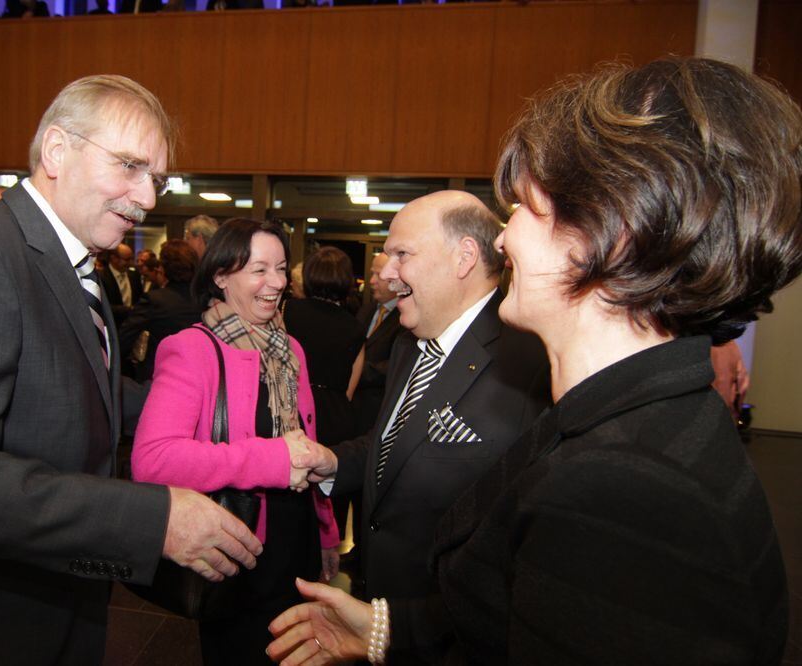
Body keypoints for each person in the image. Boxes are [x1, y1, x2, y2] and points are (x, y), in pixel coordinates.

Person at [269, 57, 799, 665]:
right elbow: (510, 613)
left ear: (610, 232)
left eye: (524, 207)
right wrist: (386, 630)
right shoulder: (620, 421)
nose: (503, 238)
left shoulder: (626, 492)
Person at [0, 74, 262, 665]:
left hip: (45, 602)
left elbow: (75, 387)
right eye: (129, 166)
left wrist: (205, 409)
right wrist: (153, 519)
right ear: (55, 150)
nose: (148, 198)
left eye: (157, 179)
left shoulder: (73, 264)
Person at [290, 191, 550, 663]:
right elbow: (393, 444)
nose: (386, 271)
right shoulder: (412, 343)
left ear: (464, 257)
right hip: (380, 614)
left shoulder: (533, 361)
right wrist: (332, 462)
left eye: (401, 254)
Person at [132, 218, 339, 665]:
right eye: (259, 270)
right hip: (238, 544)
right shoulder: (192, 349)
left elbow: (309, 446)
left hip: (296, 537)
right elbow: (152, 459)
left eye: (282, 269)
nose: (276, 283)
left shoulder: (292, 349)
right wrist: (272, 459)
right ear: (221, 277)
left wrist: (328, 534)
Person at [284, 247, 365, 538]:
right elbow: (350, 387)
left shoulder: (287, 311)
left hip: (294, 411)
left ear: (308, 276)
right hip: (336, 416)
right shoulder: (355, 327)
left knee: (291, 497)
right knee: (330, 498)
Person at [119, 238, 202, 381]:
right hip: (198, 375)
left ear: (163, 268)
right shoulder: (204, 299)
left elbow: (125, 338)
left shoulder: (154, 300)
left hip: (162, 376)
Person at [352, 251, 402, 435]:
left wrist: (354, 370)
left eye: (378, 274)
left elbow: (395, 366)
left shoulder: (406, 318)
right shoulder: (367, 309)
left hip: (377, 416)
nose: (371, 281)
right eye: (372, 274)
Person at [101, 241, 137, 324]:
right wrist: (128, 309)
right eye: (127, 260)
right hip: (113, 325)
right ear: (114, 258)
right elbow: (103, 306)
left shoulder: (134, 275)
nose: (131, 263)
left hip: (132, 326)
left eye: (131, 259)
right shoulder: (101, 277)